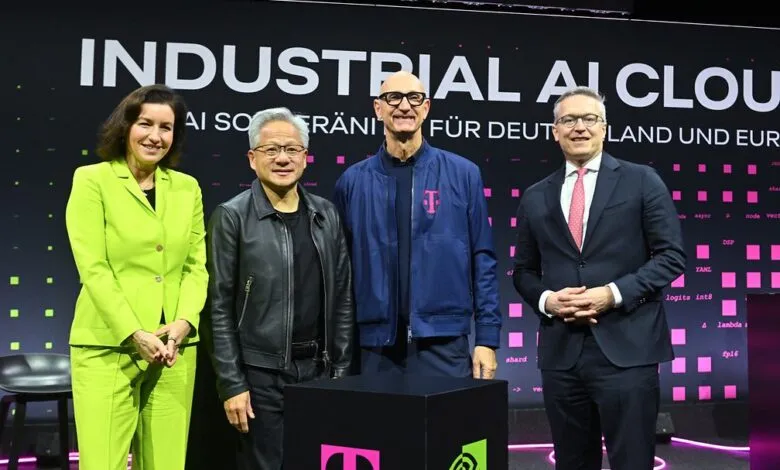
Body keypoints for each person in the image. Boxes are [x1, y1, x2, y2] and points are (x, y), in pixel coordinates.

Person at [512, 85, 687, 470]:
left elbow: (672, 256)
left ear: (605, 128)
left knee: (632, 462)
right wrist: (548, 301)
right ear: (554, 131)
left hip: (628, 350)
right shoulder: (535, 196)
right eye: (568, 120)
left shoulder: (642, 181)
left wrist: (612, 294)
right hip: (561, 353)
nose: (579, 127)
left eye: (589, 119)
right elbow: (523, 272)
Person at [64, 84, 208, 470]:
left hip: (174, 349)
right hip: (109, 346)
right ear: (125, 126)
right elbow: (93, 268)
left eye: (167, 127)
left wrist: (184, 323)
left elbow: (196, 266)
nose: (155, 136)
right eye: (145, 123)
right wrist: (135, 333)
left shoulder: (187, 188)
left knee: (167, 463)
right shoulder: (92, 180)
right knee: (102, 464)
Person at [204, 107, 353, 470]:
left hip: (319, 372)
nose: (283, 158)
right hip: (259, 377)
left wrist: (341, 374)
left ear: (305, 157)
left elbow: (343, 299)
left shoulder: (326, 214)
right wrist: (231, 384)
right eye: (271, 150)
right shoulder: (232, 216)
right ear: (252, 159)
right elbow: (217, 309)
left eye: (292, 149)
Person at [333, 70, 501, 379]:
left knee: (447, 429)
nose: (404, 107)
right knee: (375, 429)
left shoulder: (464, 174)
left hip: (444, 342)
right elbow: (339, 274)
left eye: (414, 98)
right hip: (373, 346)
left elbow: (483, 260)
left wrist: (487, 339)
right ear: (378, 108)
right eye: (393, 98)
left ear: (426, 108)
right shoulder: (351, 182)